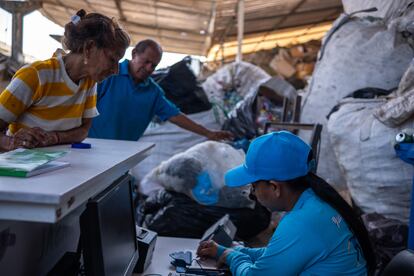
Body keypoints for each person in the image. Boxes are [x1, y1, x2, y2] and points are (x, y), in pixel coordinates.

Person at [197, 131, 376, 275]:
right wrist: (225, 251)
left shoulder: (302, 222)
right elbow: (277, 256)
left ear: (275, 187)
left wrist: (232, 257)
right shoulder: (316, 201)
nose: (253, 194)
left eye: (253, 187)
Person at [0, 9, 130, 152]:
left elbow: (83, 131)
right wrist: (13, 142)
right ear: (89, 47)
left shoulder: (89, 81)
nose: (116, 70)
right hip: (21, 169)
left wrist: (54, 137)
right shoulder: (36, 75)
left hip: (58, 166)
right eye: (112, 59)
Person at [88, 39, 233, 142]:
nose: (149, 68)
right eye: (146, 62)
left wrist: (208, 133)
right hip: (92, 146)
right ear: (134, 55)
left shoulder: (153, 92)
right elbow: (84, 103)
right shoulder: (109, 74)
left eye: (154, 65)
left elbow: (175, 116)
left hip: (123, 154)